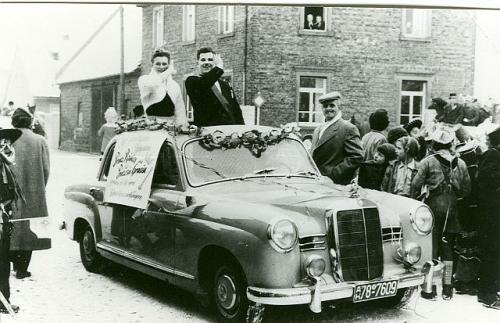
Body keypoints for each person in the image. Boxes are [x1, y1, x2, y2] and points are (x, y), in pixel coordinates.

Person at [411, 128, 471, 300]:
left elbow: (415, 184)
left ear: (434, 144)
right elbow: (467, 190)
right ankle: (447, 287)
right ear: (450, 143)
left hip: (432, 208)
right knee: (448, 249)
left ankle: (429, 290)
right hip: (452, 209)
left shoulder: (428, 161)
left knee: (432, 248)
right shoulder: (461, 163)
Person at [9, 107, 51, 280]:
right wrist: (40, 186)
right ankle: (22, 269)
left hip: (10, 192)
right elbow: (46, 169)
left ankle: (13, 264)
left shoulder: (7, 139)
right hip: (34, 192)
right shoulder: (40, 141)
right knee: (30, 229)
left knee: (11, 227)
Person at [310, 91, 363, 185]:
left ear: (339, 107)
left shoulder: (348, 128)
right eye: (325, 106)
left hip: (336, 184)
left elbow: (356, 157)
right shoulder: (318, 129)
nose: (328, 109)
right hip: (316, 182)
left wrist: (333, 174)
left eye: (332, 105)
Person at [185, 47, 244, 127]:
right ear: (197, 63)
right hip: (207, 132)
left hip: (229, 132)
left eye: (210, 60)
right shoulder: (192, 81)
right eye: (203, 60)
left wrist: (242, 129)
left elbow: (236, 110)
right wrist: (219, 67)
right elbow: (205, 83)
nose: (206, 63)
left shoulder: (225, 85)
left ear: (214, 62)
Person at [476, 127, 500, 309]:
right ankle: (487, 295)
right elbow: (485, 183)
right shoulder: (492, 155)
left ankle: (492, 291)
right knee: (491, 253)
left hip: (493, 214)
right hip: (491, 216)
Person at [0, 128, 23, 314]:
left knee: (3, 260)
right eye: (2, 142)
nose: (7, 146)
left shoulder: (5, 166)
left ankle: (4, 300)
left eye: (8, 142)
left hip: (4, 219)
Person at [138, 48, 187, 124]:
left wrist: (182, 125)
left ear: (169, 64)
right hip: (151, 126)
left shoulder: (174, 85)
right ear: (152, 64)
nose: (161, 67)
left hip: (170, 127)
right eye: (158, 64)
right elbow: (153, 84)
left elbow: (180, 110)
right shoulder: (144, 80)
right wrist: (169, 71)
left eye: (164, 64)